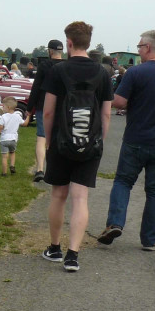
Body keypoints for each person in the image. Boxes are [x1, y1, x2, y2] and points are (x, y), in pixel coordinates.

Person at [98, 30, 155, 252]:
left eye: (140, 47)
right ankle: (150, 240)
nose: (138, 50)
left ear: (148, 48)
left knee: (123, 182)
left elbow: (119, 102)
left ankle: (115, 223)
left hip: (135, 140)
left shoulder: (135, 73)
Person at [41, 21, 113, 273]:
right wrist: (98, 141)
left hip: (61, 141)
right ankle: (73, 255)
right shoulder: (103, 73)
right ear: (89, 42)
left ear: (69, 43)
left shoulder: (58, 71)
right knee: (80, 198)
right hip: (90, 144)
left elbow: (48, 111)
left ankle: (54, 248)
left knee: (59, 195)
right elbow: (106, 115)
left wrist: (49, 140)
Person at [26, 39, 64, 182]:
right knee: (58, 139)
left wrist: (29, 109)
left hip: (44, 105)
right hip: (61, 107)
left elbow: (36, 87)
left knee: (42, 138)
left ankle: (40, 169)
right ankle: (55, 170)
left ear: (50, 51)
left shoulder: (44, 65)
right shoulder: (67, 65)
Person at [0, 97, 25, 176]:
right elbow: (24, 123)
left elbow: (0, 128)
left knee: (4, 156)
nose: (2, 108)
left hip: (4, 139)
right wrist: (28, 116)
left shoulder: (3, 117)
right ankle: (12, 166)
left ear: (8, 107)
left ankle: (4, 173)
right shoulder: (17, 116)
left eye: (3, 106)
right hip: (13, 139)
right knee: (12, 152)